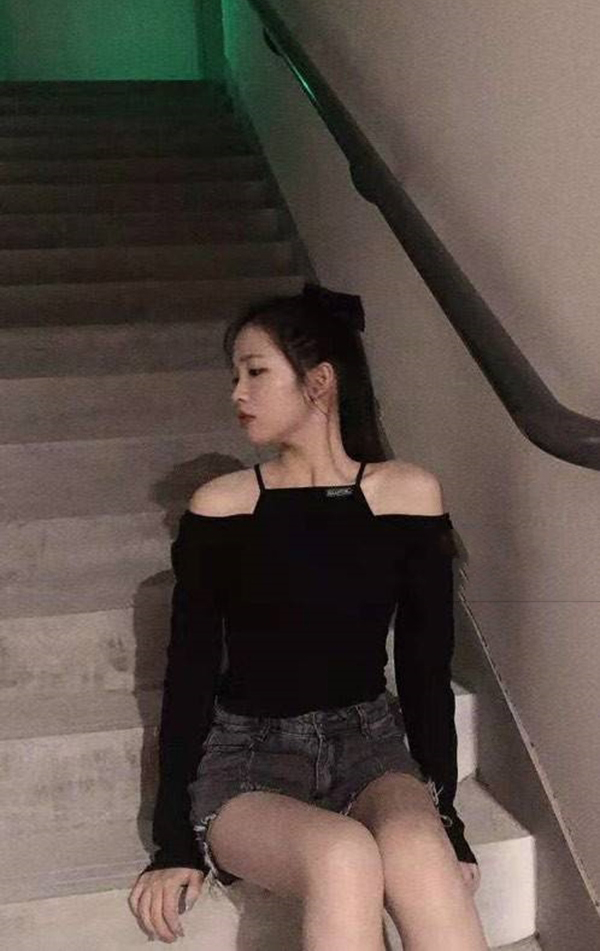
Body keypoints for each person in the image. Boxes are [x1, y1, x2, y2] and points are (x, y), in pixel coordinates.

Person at [128, 282, 488, 949]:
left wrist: (448, 823)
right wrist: (173, 840)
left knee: (420, 850)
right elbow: (190, 678)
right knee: (342, 855)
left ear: (319, 381)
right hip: (248, 758)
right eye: (235, 376)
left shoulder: (408, 494)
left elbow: (423, 671)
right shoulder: (222, 507)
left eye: (255, 372)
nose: (237, 393)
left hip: (370, 745)